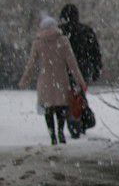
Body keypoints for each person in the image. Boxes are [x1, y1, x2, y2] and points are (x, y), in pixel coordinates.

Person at [18, 16, 87, 145]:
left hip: (45, 81)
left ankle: (52, 135)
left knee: (48, 110)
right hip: (62, 81)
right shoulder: (63, 41)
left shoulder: (38, 42)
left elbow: (31, 65)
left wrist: (24, 80)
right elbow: (73, 64)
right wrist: (81, 82)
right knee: (61, 109)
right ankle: (60, 132)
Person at [59, 4, 102, 83]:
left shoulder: (59, 32)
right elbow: (95, 52)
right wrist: (96, 70)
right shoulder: (87, 31)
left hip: (63, 71)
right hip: (83, 71)